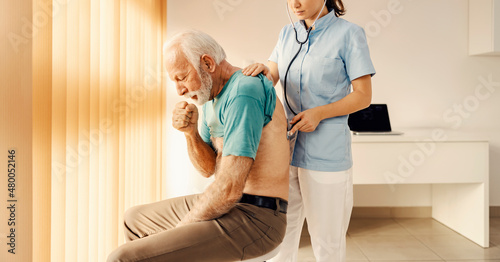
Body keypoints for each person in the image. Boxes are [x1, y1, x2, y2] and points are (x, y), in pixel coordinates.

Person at [107, 30, 290, 262]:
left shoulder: (245, 90)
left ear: (207, 63)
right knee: (133, 220)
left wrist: (180, 230)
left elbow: (229, 189)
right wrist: (190, 133)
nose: (180, 90)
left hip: (257, 219)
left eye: (181, 77)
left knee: (122, 257)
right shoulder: (211, 97)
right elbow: (208, 168)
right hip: (231, 205)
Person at [242, 0, 376, 261]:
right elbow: (272, 76)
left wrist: (319, 113)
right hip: (286, 151)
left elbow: (363, 96)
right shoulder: (287, 34)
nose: (295, 3)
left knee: (327, 242)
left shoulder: (349, 34)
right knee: (280, 236)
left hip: (326, 154)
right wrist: (261, 73)